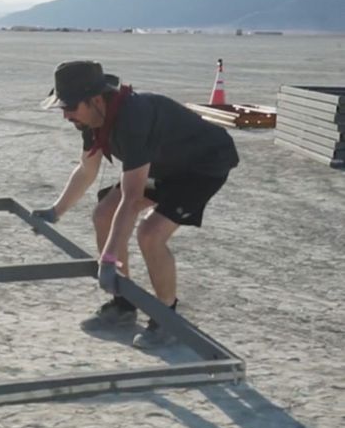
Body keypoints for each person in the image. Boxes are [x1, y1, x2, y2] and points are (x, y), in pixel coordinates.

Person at [33, 60, 238, 349]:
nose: (65, 115)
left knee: (150, 234)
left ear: (94, 100)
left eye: (70, 107)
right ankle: (124, 304)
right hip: (163, 166)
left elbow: (131, 199)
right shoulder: (91, 121)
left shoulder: (133, 119)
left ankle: (166, 317)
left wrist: (107, 259)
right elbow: (86, 170)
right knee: (103, 214)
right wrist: (56, 211)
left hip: (201, 167)